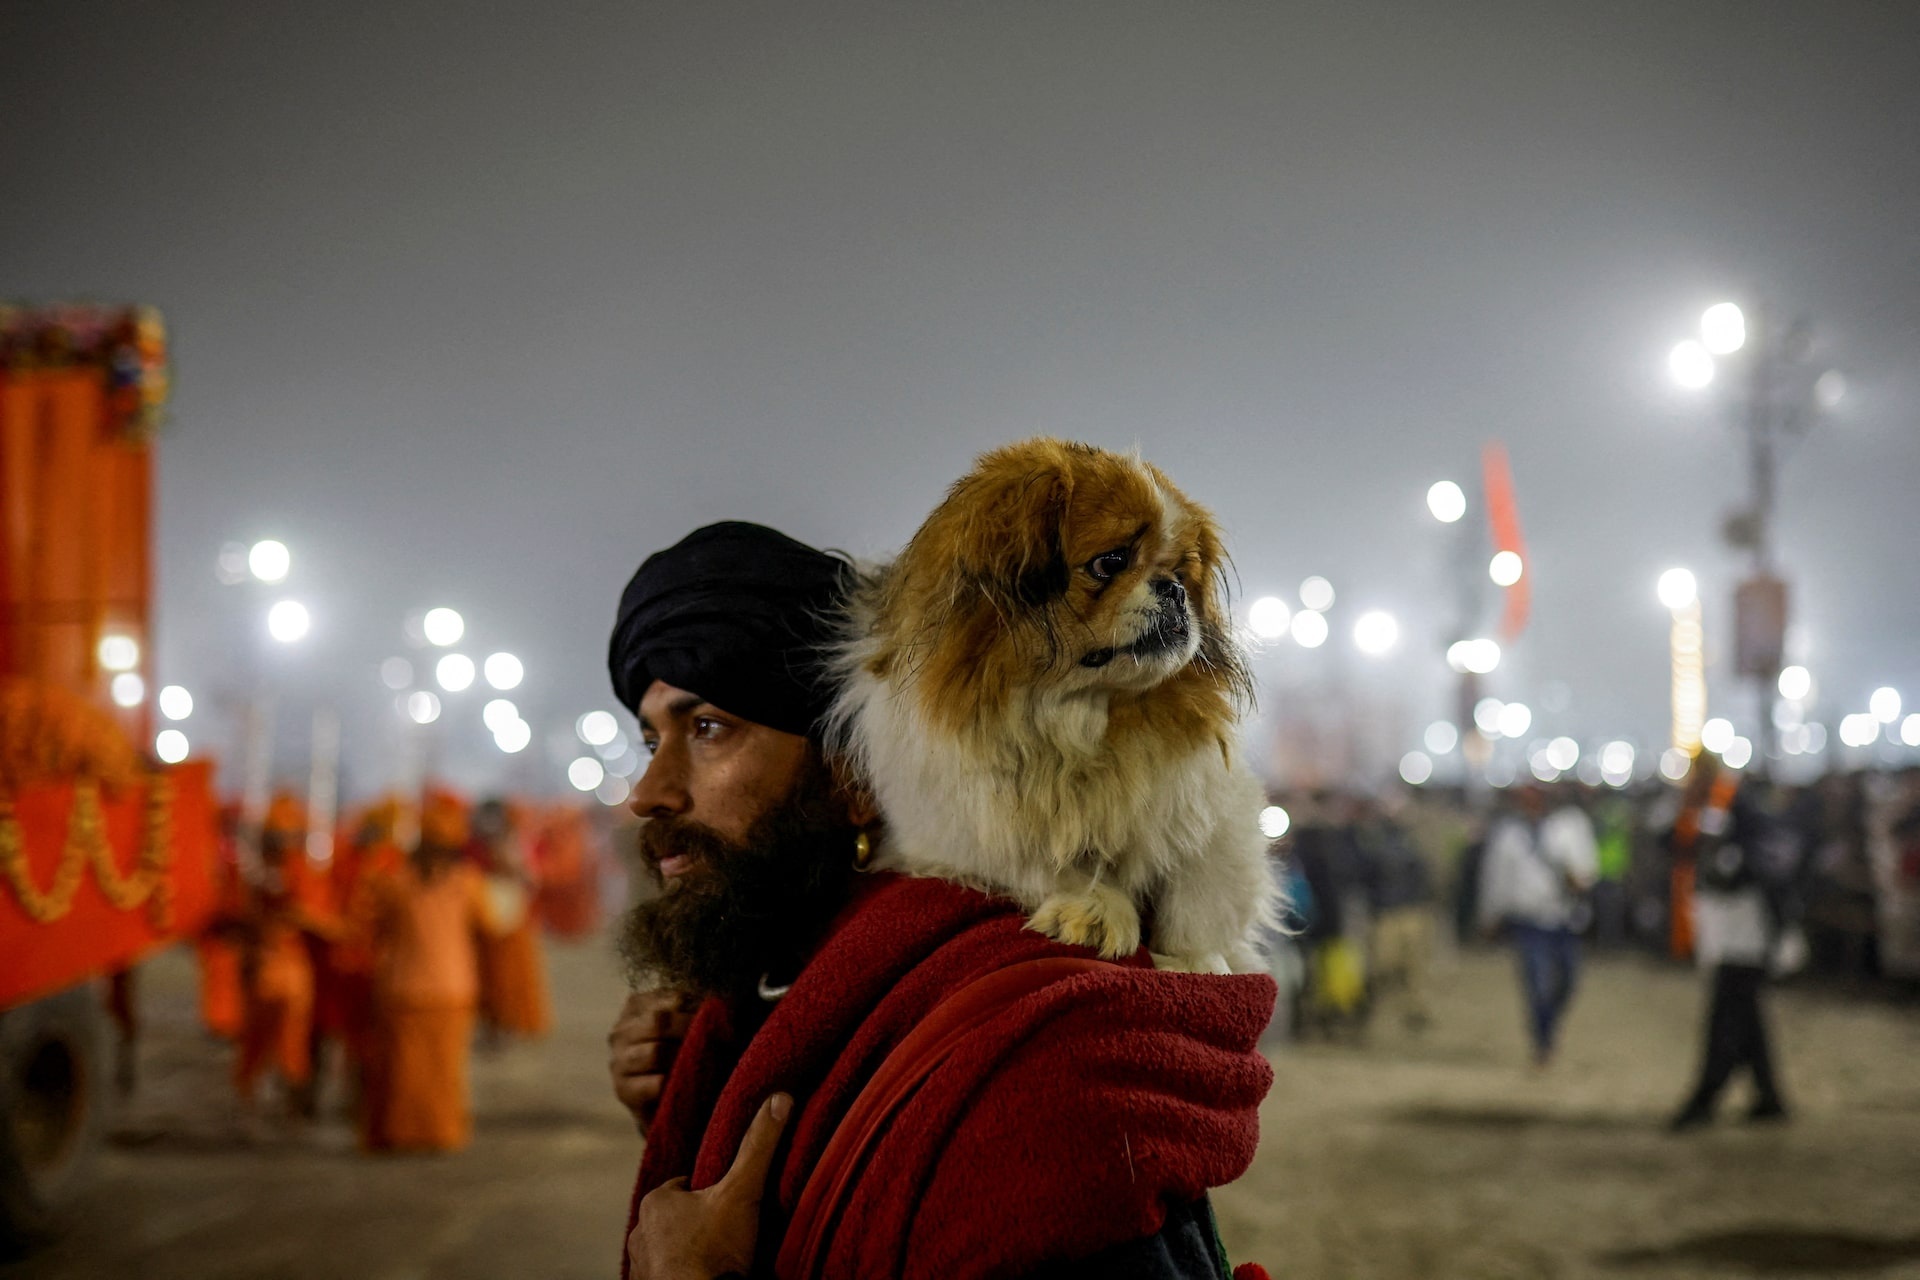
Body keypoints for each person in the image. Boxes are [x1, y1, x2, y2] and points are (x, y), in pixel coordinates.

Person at [605, 521, 1275, 1280]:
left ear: (857, 775)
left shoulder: (1030, 1060)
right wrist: (696, 1106)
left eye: (707, 728)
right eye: (648, 739)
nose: (647, 793)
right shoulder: (774, 996)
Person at [356, 790, 499, 1153]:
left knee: (404, 1071)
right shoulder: (468, 883)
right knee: (442, 1070)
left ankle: (402, 1133)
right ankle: (439, 1132)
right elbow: (491, 928)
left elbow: (368, 923)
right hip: (451, 988)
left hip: (404, 987)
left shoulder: (397, 883)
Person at [1667, 756, 1789, 1130]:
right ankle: (1768, 1096)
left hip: (1745, 924)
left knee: (1726, 1013)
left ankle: (1706, 1096)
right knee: (1746, 1014)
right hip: (1725, 923)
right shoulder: (1704, 807)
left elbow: (1766, 862)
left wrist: (1730, 868)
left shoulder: (1742, 806)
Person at [1476, 783, 1598, 1066]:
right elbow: (1496, 879)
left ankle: (1549, 1022)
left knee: (1568, 981)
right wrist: (1490, 915)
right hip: (1529, 921)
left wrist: (1578, 879)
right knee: (1537, 984)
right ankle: (1543, 1039)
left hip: (1565, 918)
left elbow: (1587, 870)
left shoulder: (1571, 826)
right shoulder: (1509, 835)